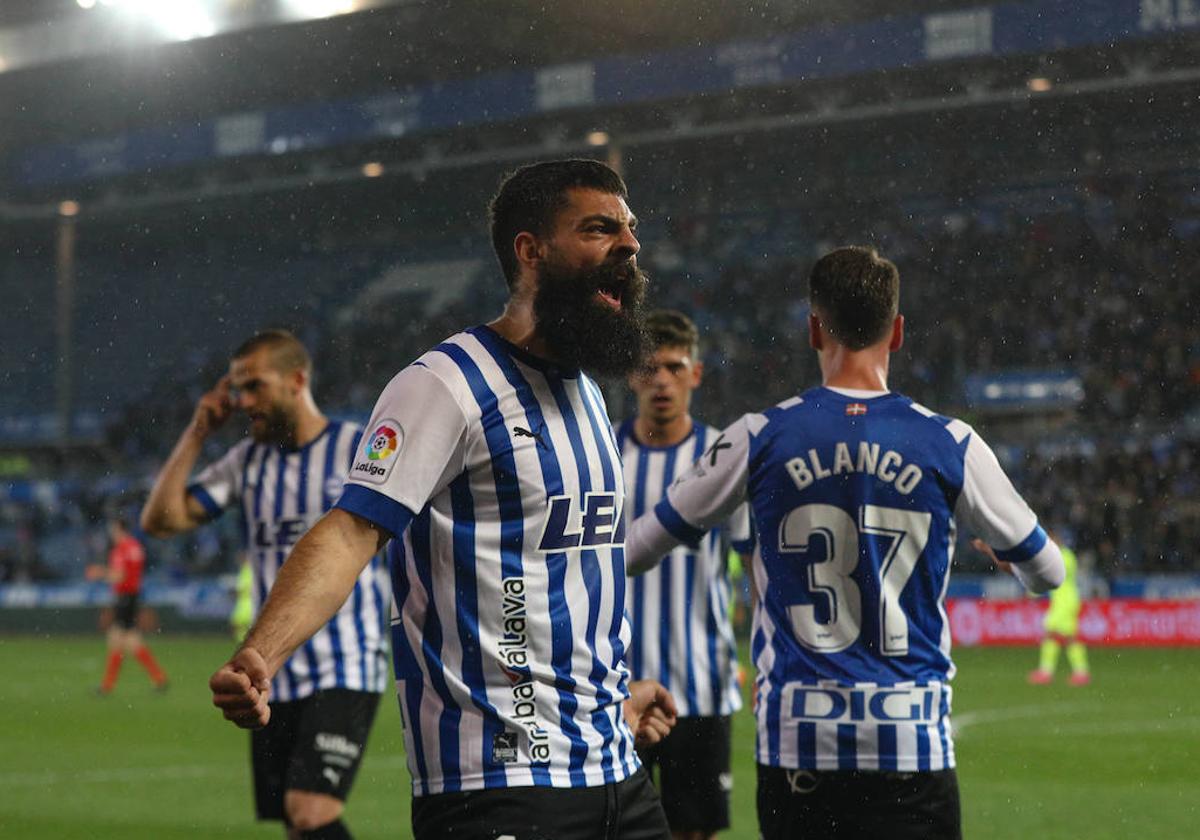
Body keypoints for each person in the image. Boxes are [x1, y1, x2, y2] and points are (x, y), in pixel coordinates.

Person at [208, 159, 678, 840]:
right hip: (496, 787)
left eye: (630, 229)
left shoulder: (590, 397)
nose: (630, 245)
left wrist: (610, 704)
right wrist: (264, 654)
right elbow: (351, 532)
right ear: (531, 250)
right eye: (600, 229)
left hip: (615, 773)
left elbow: (572, 582)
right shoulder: (445, 384)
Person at [624, 245, 1066, 840]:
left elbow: (636, 548)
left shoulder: (759, 435)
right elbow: (1049, 572)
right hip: (911, 751)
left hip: (800, 754)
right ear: (898, 331)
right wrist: (1003, 556)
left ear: (813, 329)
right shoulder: (950, 442)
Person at [141, 329, 389, 840]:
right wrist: (197, 433)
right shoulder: (248, 462)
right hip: (270, 672)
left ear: (297, 380)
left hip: (345, 664)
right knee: (295, 826)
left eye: (254, 387)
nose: (241, 402)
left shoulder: (356, 448)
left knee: (309, 810)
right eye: (235, 390)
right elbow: (162, 519)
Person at [616, 309, 752, 840]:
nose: (662, 381)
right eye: (649, 368)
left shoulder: (725, 457)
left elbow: (756, 564)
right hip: (612, 687)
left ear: (696, 374)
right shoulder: (602, 454)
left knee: (692, 833)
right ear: (631, 374)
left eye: (674, 367)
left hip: (702, 688)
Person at [976, 531, 1090, 685]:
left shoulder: (1065, 556)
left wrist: (1032, 592)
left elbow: (1049, 576)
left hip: (1065, 602)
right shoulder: (1065, 556)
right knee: (1063, 637)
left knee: (1056, 634)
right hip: (1065, 601)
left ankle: (1056, 672)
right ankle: (1071, 672)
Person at [88, 516, 169, 695]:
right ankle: (158, 678)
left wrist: (99, 573)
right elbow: (133, 572)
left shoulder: (121, 549)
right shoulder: (135, 547)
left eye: (113, 530)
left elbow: (119, 576)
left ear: (119, 529)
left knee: (117, 639)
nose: (112, 534)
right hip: (132, 596)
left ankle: (107, 686)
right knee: (129, 641)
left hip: (124, 597)